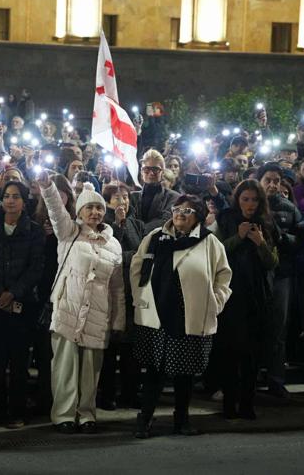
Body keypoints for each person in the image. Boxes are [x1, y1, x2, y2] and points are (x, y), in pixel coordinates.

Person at [130, 195, 232, 438]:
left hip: (189, 315)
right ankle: (144, 419)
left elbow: (223, 277)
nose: (180, 214)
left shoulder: (209, 242)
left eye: (187, 211)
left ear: (197, 216)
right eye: (177, 209)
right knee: (154, 372)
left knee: (184, 374)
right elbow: (137, 267)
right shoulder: (155, 238)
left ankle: (182, 419)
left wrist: (214, 303)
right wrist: (139, 297)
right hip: (156, 314)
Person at [37, 171, 124, 434]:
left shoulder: (114, 245)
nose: (95, 212)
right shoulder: (69, 233)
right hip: (68, 309)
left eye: (99, 207)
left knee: (90, 370)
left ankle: (86, 414)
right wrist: (47, 185)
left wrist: (119, 320)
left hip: (98, 315)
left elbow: (117, 287)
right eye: (89, 207)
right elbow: (55, 209)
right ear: (80, 211)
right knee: (65, 366)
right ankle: (63, 414)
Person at [0, 181, 44, 428]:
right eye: (7, 196)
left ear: (24, 201)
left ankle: (17, 411)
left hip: (22, 303)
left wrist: (13, 293)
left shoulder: (34, 231)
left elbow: (36, 267)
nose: (11, 201)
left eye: (16, 196)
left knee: (18, 361)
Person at [212, 180, 279, 419]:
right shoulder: (226, 219)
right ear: (238, 199)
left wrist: (260, 243)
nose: (250, 204)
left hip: (257, 296)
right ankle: (229, 404)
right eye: (245, 199)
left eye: (254, 200)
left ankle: (248, 404)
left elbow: (272, 262)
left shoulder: (267, 223)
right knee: (230, 352)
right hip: (231, 295)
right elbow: (215, 252)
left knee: (252, 353)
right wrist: (238, 238)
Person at [97, 182, 145, 410]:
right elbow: (108, 252)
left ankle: (130, 392)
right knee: (109, 347)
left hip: (132, 289)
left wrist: (125, 225)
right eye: (116, 197)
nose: (122, 201)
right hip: (109, 289)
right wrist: (117, 225)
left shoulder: (136, 223)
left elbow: (140, 252)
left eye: (125, 197)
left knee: (131, 349)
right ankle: (106, 394)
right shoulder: (102, 224)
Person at [31, 174, 76, 415]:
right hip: (42, 296)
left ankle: (63, 400)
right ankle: (43, 398)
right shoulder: (35, 223)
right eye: (54, 193)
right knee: (43, 352)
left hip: (67, 295)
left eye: (63, 193)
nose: (59, 198)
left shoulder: (75, 225)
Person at [257, 162, 302, 398]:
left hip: (281, 275)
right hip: (255, 276)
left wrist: (282, 237)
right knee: (252, 326)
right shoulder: (250, 205)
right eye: (268, 180)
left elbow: (300, 239)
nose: (273, 184)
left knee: (278, 329)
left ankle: (276, 379)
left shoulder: (289, 208)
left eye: (277, 180)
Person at [130, 150, 180, 235]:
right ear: (142, 172)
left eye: (155, 169)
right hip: (133, 244)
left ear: (162, 172)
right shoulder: (131, 196)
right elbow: (128, 223)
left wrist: (140, 230)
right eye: (147, 169)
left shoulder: (174, 197)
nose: (151, 173)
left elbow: (165, 221)